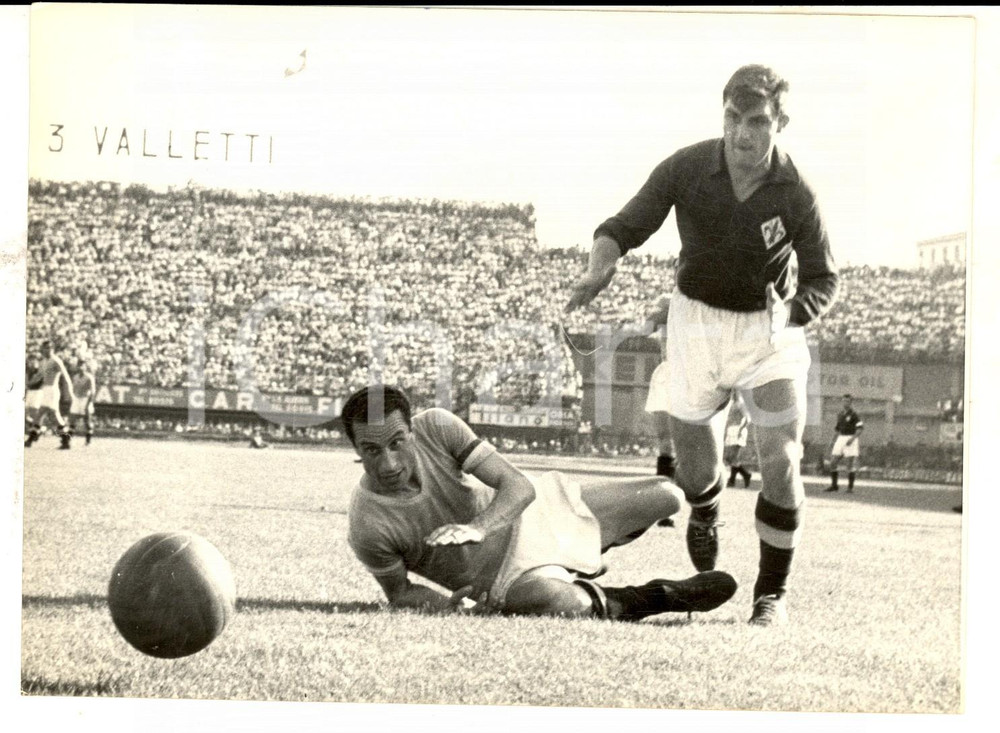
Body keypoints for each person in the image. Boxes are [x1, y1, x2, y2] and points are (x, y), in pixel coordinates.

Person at [565, 64, 839, 626]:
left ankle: (771, 595)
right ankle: (706, 506)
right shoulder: (688, 166)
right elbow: (623, 224)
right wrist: (600, 269)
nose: (743, 133)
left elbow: (824, 278)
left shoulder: (796, 191)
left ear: (780, 122)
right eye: (733, 118)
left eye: (758, 121)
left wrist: (791, 313)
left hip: (768, 333)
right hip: (695, 324)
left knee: (782, 458)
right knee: (694, 474)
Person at [343, 385, 738, 620]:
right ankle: (658, 596)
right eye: (372, 450)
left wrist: (478, 526)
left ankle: (590, 549)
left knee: (667, 496)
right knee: (560, 601)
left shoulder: (437, 426)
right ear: (357, 449)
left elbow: (517, 487)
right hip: (504, 580)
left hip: (536, 514)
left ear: (412, 430)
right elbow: (400, 593)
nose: (389, 463)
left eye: (397, 443)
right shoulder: (367, 524)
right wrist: (450, 605)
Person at [24, 340, 75, 450]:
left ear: (52, 349)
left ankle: (30, 440)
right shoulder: (44, 361)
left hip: (52, 390)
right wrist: (29, 383)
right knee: (50, 416)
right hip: (45, 390)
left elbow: (65, 376)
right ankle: (65, 440)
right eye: (45, 348)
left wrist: (70, 392)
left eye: (49, 348)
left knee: (45, 414)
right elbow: (39, 375)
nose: (47, 350)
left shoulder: (56, 361)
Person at [826, 393, 863, 493]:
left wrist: (852, 439)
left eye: (847, 401)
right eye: (844, 400)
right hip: (840, 438)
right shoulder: (840, 414)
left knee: (849, 465)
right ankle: (834, 486)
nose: (845, 402)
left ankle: (850, 488)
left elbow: (860, 429)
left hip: (850, 438)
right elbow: (837, 429)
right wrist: (832, 441)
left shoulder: (854, 414)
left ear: (851, 402)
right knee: (833, 462)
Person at [724, 396, 753, 488]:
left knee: (733, 457)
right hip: (731, 430)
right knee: (729, 458)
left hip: (738, 430)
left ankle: (732, 480)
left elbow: (747, 418)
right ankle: (745, 474)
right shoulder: (732, 403)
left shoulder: (741, 404)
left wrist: (741, 429)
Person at [68, 357, 96, 446]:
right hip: (77, 399)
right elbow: (73, 388)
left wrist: (89, 403)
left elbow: (93, 391)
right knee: (72, 420)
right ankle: (68, 440)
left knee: (87, 420)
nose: (80, 367)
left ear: (85, 366)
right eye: (79, 365)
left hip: (85, 399)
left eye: (82, 365)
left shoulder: (89, 377)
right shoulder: (75, 377)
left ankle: (88, 441)